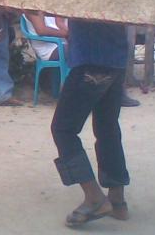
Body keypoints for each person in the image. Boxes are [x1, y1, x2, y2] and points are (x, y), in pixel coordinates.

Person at [51, 20, 130, 227]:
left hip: (91, 60)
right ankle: (117, 201)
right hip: (116, 60)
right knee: (107, 128)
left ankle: (94, 198)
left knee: (63, 129)